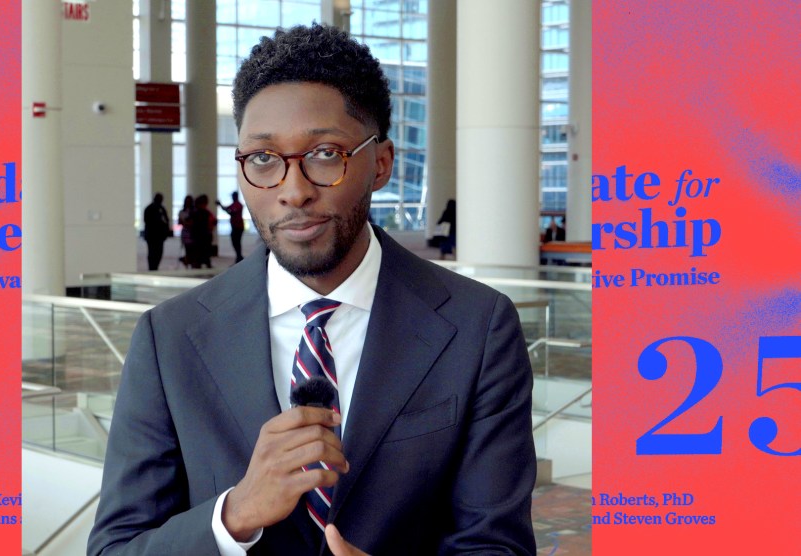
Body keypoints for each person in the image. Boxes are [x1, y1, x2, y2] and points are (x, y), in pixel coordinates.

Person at [90, 24, 535, 556]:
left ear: (382, 164)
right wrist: (233, 516)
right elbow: (116, 548)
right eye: (262, 159)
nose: (293, 191)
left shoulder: (477, 326)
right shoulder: (170, 337)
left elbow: (497, 546)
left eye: (326, 153)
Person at [142, 192, 171, 271]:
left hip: (158, 236)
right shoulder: (151, 209)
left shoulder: (160, 209)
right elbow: (147, 221)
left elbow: (166, 220)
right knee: (153, 253)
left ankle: (154, 267)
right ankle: (152, 267)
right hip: (153, 235)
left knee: (157, 253)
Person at [190, 194, 217, 269]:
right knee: (205, 251)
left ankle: (198, 264)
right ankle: (206, 263)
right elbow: (214, 221)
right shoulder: (206, 213)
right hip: (205, 235)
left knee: (199, 251)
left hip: (198, 235)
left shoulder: (195, 213)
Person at [218, 191, 246, 263]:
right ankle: (239, 256)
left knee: (236, 241)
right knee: (235, 241)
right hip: (235, 226)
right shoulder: (235, 204)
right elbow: (227, 209)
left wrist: (221, 205)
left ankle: (239, 256)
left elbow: (231, 212)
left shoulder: (238, 205)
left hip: (238, 226)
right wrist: (221, 205)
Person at [178, 195, 195, 267]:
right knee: (187, 248)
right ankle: (187, 261)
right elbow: (180, 222)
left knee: (192, 249)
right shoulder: (182, 212)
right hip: (186, 232)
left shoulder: (194, 211)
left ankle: (188, 260)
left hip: (192, 232)